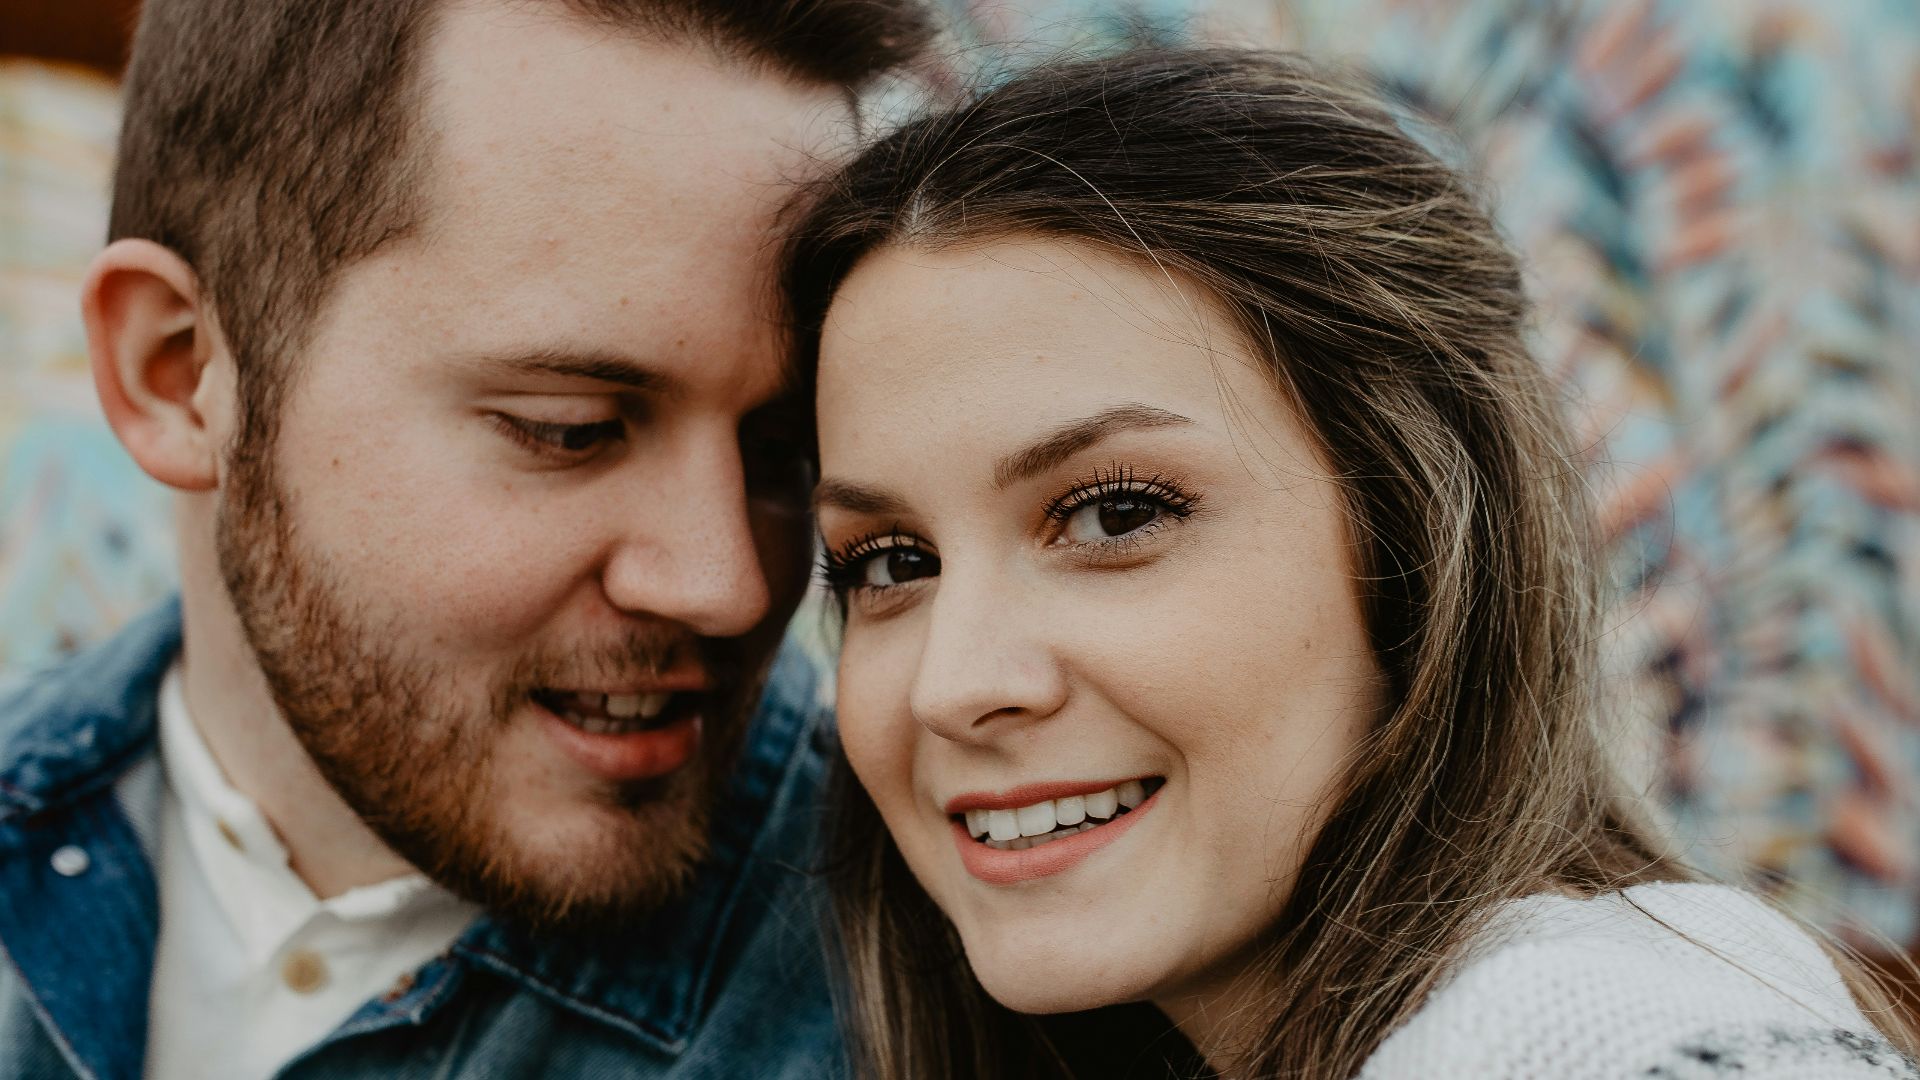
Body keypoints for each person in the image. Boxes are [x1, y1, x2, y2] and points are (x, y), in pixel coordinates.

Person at [784, 47, 1920, 1079]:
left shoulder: (1583, 1028)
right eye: (888, 564)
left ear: (1418, 540)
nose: (953, 686)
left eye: (1114, 515)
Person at [0, 1, 933, 1077]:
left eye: (782, 447)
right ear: (178, 372)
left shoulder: (930, 1007)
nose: (725, 584)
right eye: (568, 431)